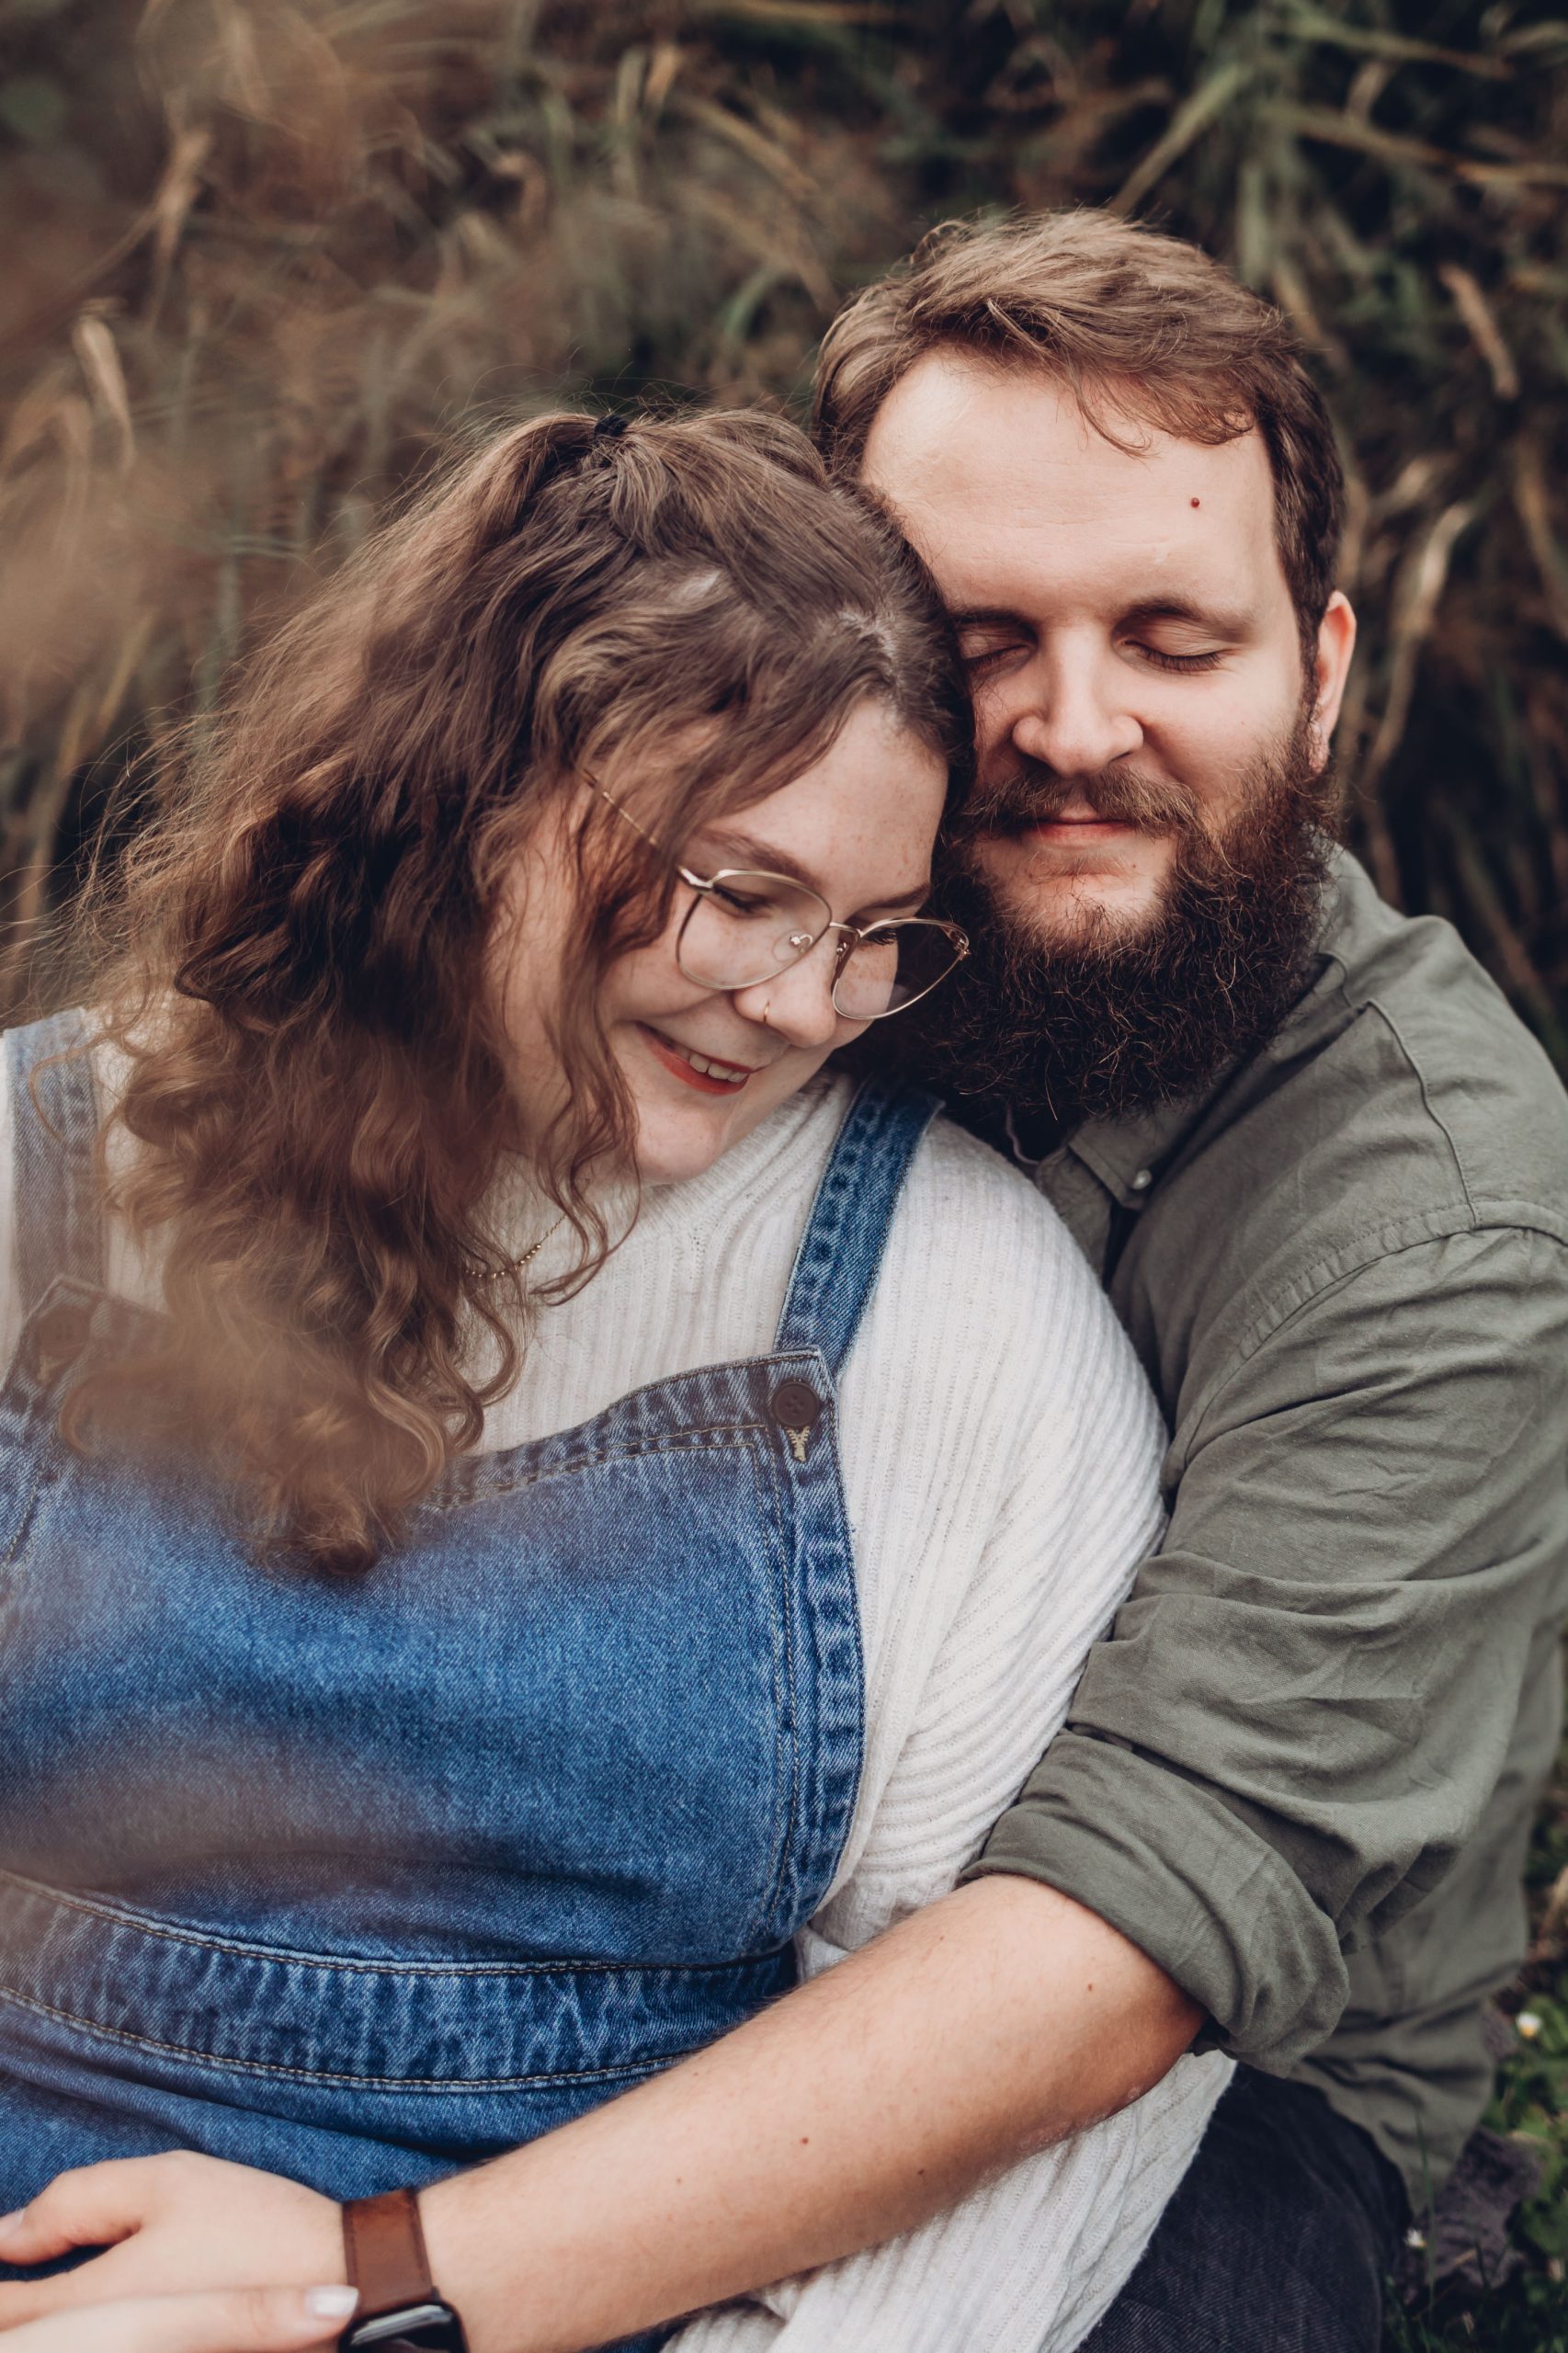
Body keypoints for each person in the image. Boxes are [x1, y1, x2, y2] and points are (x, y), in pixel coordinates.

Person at [0, 404, 1228, 2352]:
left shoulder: (948, 1308)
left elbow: (1016, 2106)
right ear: (476, 786)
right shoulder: (40, 1171)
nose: (805, 1003)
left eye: (876, 936)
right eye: (745, 892)